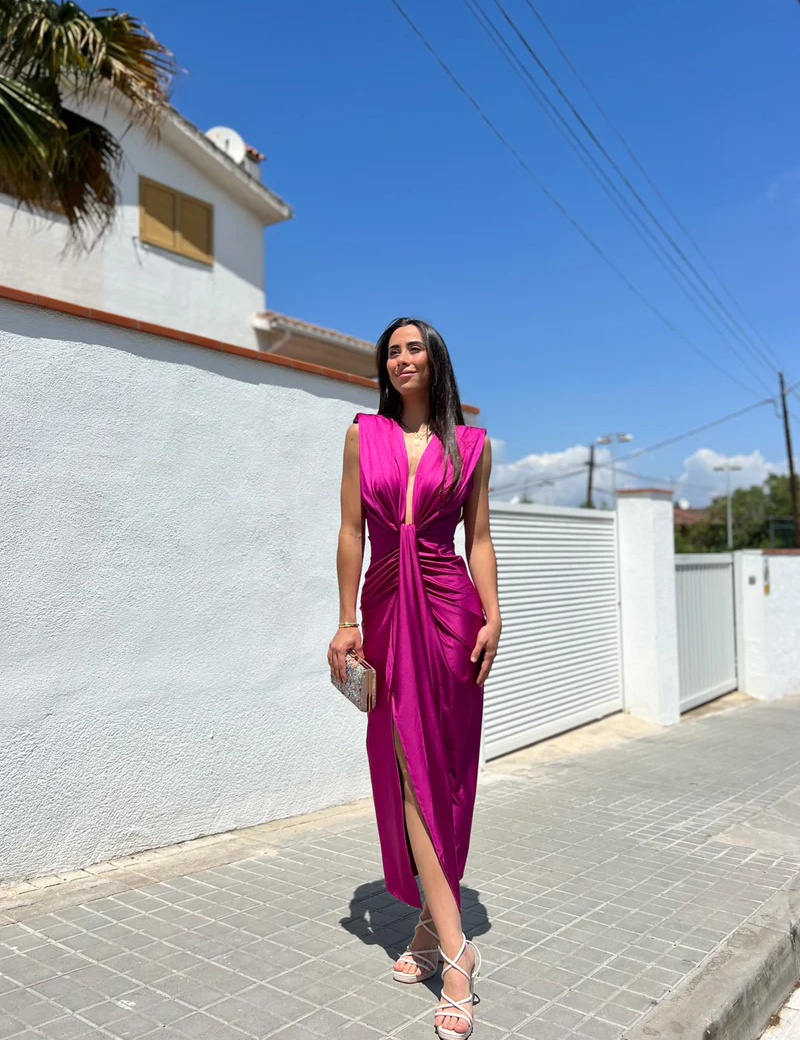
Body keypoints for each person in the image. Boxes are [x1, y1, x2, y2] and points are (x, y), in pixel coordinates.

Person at [328, 317, 501, 1038]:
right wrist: (346, 620)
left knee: (446, 769)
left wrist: (494, 614)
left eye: (413, 348)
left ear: (435, 361)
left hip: (451, 608)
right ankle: (458, 954)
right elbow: (350, 532)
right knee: (402, 766)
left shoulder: (472, 446)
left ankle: (435, 934)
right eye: (392, 350)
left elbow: (480, 536)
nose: (402, 358)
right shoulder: (359, 434)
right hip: (386, 606)